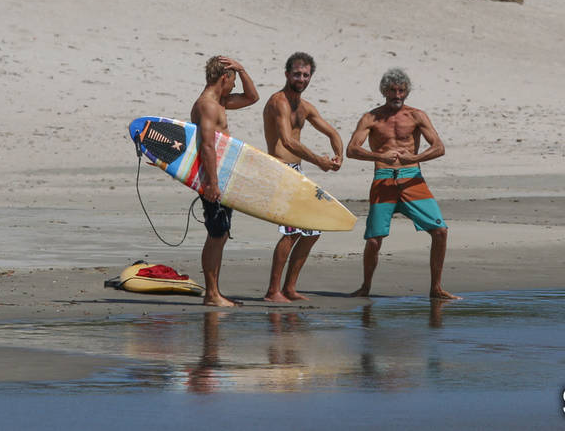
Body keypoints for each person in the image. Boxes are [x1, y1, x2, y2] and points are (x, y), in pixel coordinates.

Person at [346, 68, 460, 300]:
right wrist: (378, 156)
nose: (397, 95)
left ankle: (436, 288)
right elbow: (351, 150)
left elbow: (439, 147)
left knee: (440, 231)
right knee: (374, 240)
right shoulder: (371, 117)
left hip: (412, 178)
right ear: (384, 91)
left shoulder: (417, 116)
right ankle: (365, 287)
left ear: (407, 91)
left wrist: (414, 158)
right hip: (383, 178)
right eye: (392, 90)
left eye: (401, 90)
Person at [262, 52, 343, 303]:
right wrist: (319, 160)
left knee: (313, 231)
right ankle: (272, 291)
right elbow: (287, 140)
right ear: (287, 74)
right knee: (292, 232)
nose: (301, 78)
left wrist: (338, 154)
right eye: (296, 74)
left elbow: (331, 131)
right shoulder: (279, 102)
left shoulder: (305, 106)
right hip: (280, 172)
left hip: (296, 173)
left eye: (306, 74)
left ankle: (289, 288)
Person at [190, 55, 259, 307]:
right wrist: (212, 184)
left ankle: (214, 292)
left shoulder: (220, 102)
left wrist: (241, 70)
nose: (234, 87)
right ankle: (211, 295)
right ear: (223, 78)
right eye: (232, 80)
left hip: (221, 177)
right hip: (212, 179)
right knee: (216, 234)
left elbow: (252, 97)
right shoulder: (207, 105)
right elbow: (207, 146)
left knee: (221, 233)